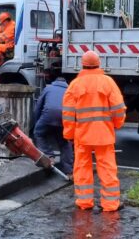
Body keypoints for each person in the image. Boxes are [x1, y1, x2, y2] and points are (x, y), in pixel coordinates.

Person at [62, 50, 126, 212]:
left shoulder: (75, 85)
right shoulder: (108, 82)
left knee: (82, 168)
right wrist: (117, 124)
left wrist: (69, 134)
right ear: (99, 64)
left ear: (82, 65)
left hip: (82, 136)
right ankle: (110, 204)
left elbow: (68, 114)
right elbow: (118, 108)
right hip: (104, 135)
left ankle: (84, 203)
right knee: (107, 169)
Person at [33, 75, 73, 177]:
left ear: (55, 81)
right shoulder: (70, 90)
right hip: (64, 117)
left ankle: (49, 157)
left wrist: (37, 122)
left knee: (38, 133)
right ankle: (69, 170)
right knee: (64, 141)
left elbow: (38, 107)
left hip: (48, 116)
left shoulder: (48, 88)